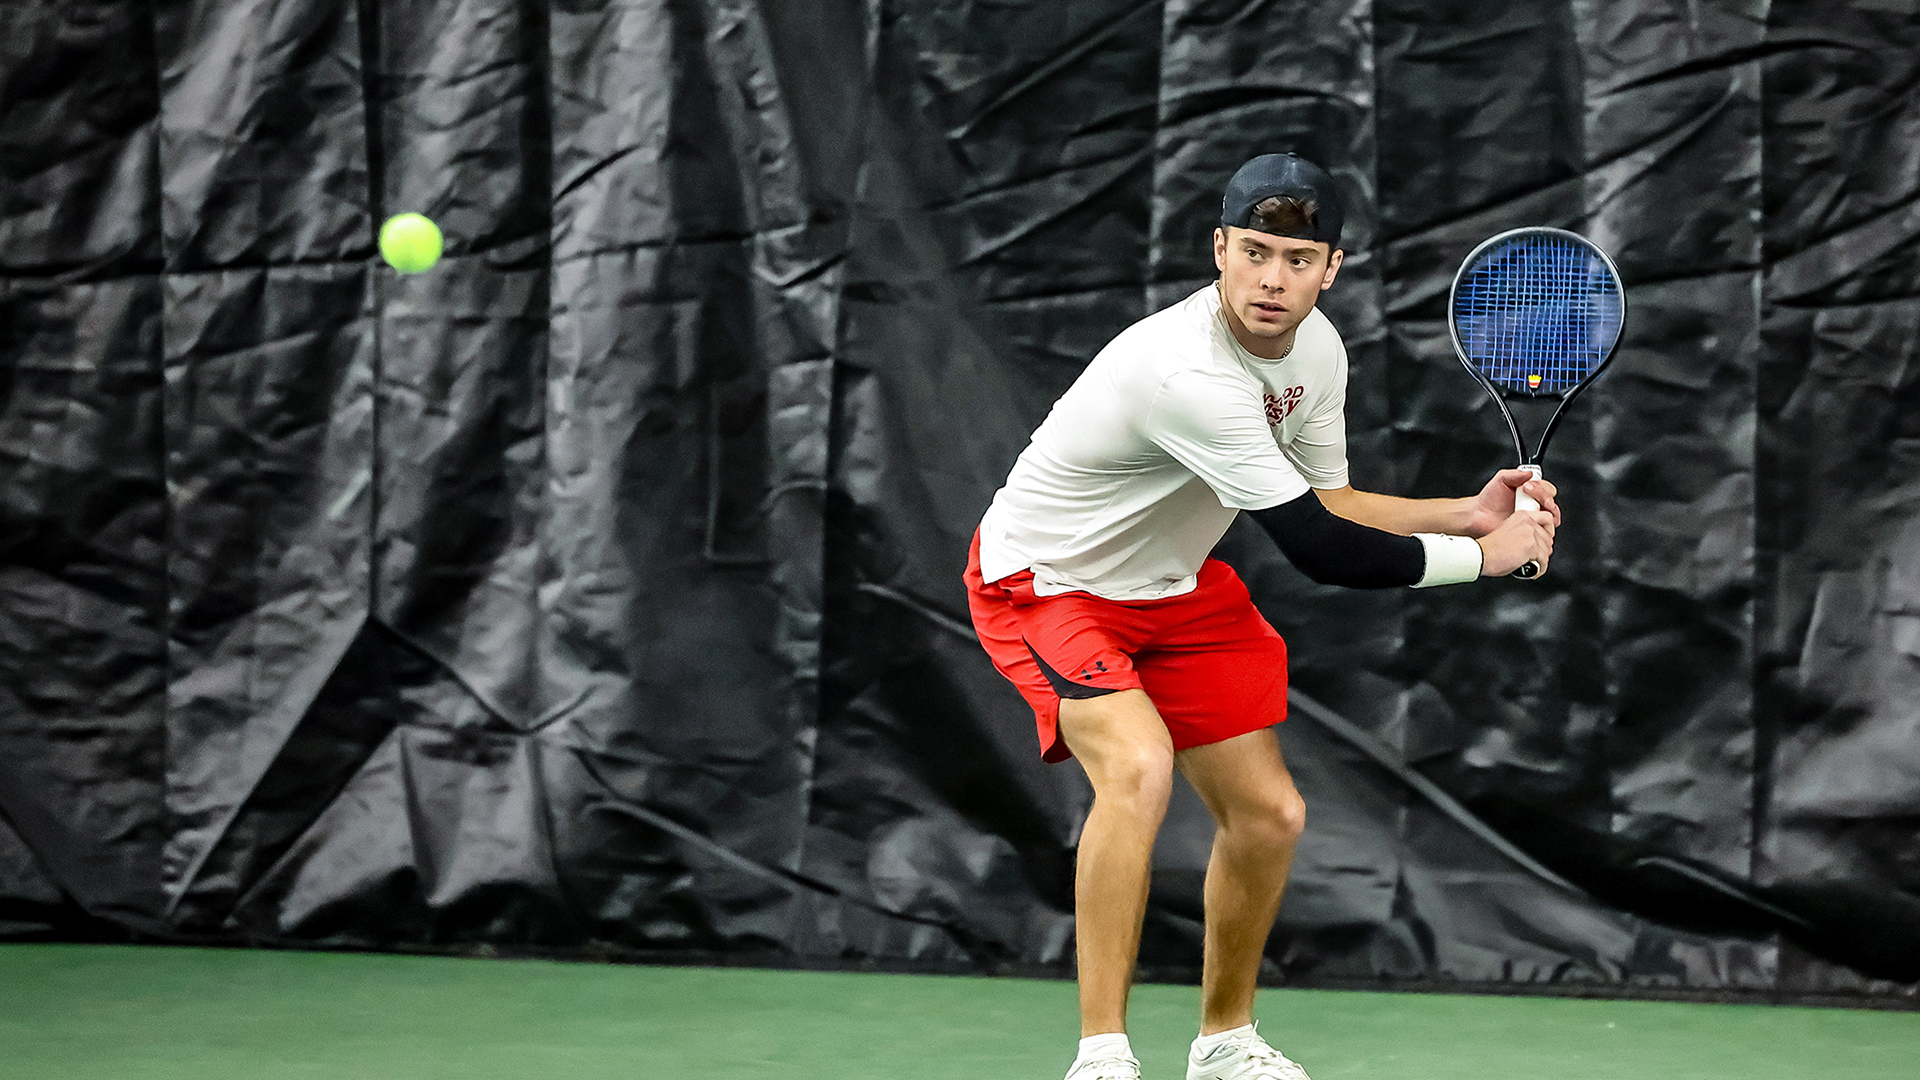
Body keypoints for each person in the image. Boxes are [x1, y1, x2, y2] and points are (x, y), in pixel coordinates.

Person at [963, 153, 1559, 1080]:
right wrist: (1486, 558)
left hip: (1174, 588)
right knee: (1140, 768)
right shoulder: (1183, 373)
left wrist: (1464, 514)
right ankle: (1101, 1056)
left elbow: (1334, 503)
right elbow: (1321, 553)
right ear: (1220, 250)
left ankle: (1225, 1042)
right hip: (1050, 583)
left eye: (1297, 258)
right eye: (1254, 251)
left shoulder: (1318, 351)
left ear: (1333, 269)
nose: (1272, 279)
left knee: (1272, 814)